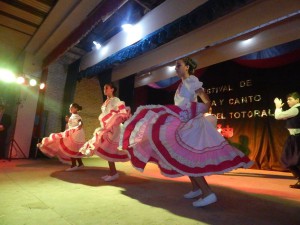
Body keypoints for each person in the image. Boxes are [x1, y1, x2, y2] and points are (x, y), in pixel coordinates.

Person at [119, 57, 253, 207]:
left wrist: (195, 111)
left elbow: (206, 101)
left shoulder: (192, 80)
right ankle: (196, 188)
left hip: (192, 125)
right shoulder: (182, 84)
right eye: (175, 66)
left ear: (187, 67)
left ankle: (208, 193)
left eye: (179, 65)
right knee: (183, 156)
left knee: (189, 157)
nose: (176, 68)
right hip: (184, 122)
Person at [80, 83, 130, 182]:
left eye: (106, 88)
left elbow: (121, 111)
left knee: (109, 148)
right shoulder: (105, 102)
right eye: (104, 88)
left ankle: (113, 173)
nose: (104, 89)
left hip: (114, 127)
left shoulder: (115, 100)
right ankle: (112, 172)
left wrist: (116, 118)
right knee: (106, 149)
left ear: (112, 89)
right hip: (107, 127)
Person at [37, 103, 85, 171]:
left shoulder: (77, 116)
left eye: (71, 108)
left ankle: (74, 165)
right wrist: (68, 121)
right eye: (70, 107)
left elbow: (80, 123)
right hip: (73, 133)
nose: (70, 109)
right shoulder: (73, 116)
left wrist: (79, 126)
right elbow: (72, 124)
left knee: (71, 148)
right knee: (74, 149)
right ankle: (80, 164)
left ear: (76, 109)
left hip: (76, 134)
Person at [274, 92, 300, 189]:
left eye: (290, 99)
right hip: (293, 137)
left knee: (289, 159)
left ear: (297, 100)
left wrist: (277, 107)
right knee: (287, 159)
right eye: (287, 99)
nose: (288, 101)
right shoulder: (294, 110)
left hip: (297, 137)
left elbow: (278, 116)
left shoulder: (296, 110)